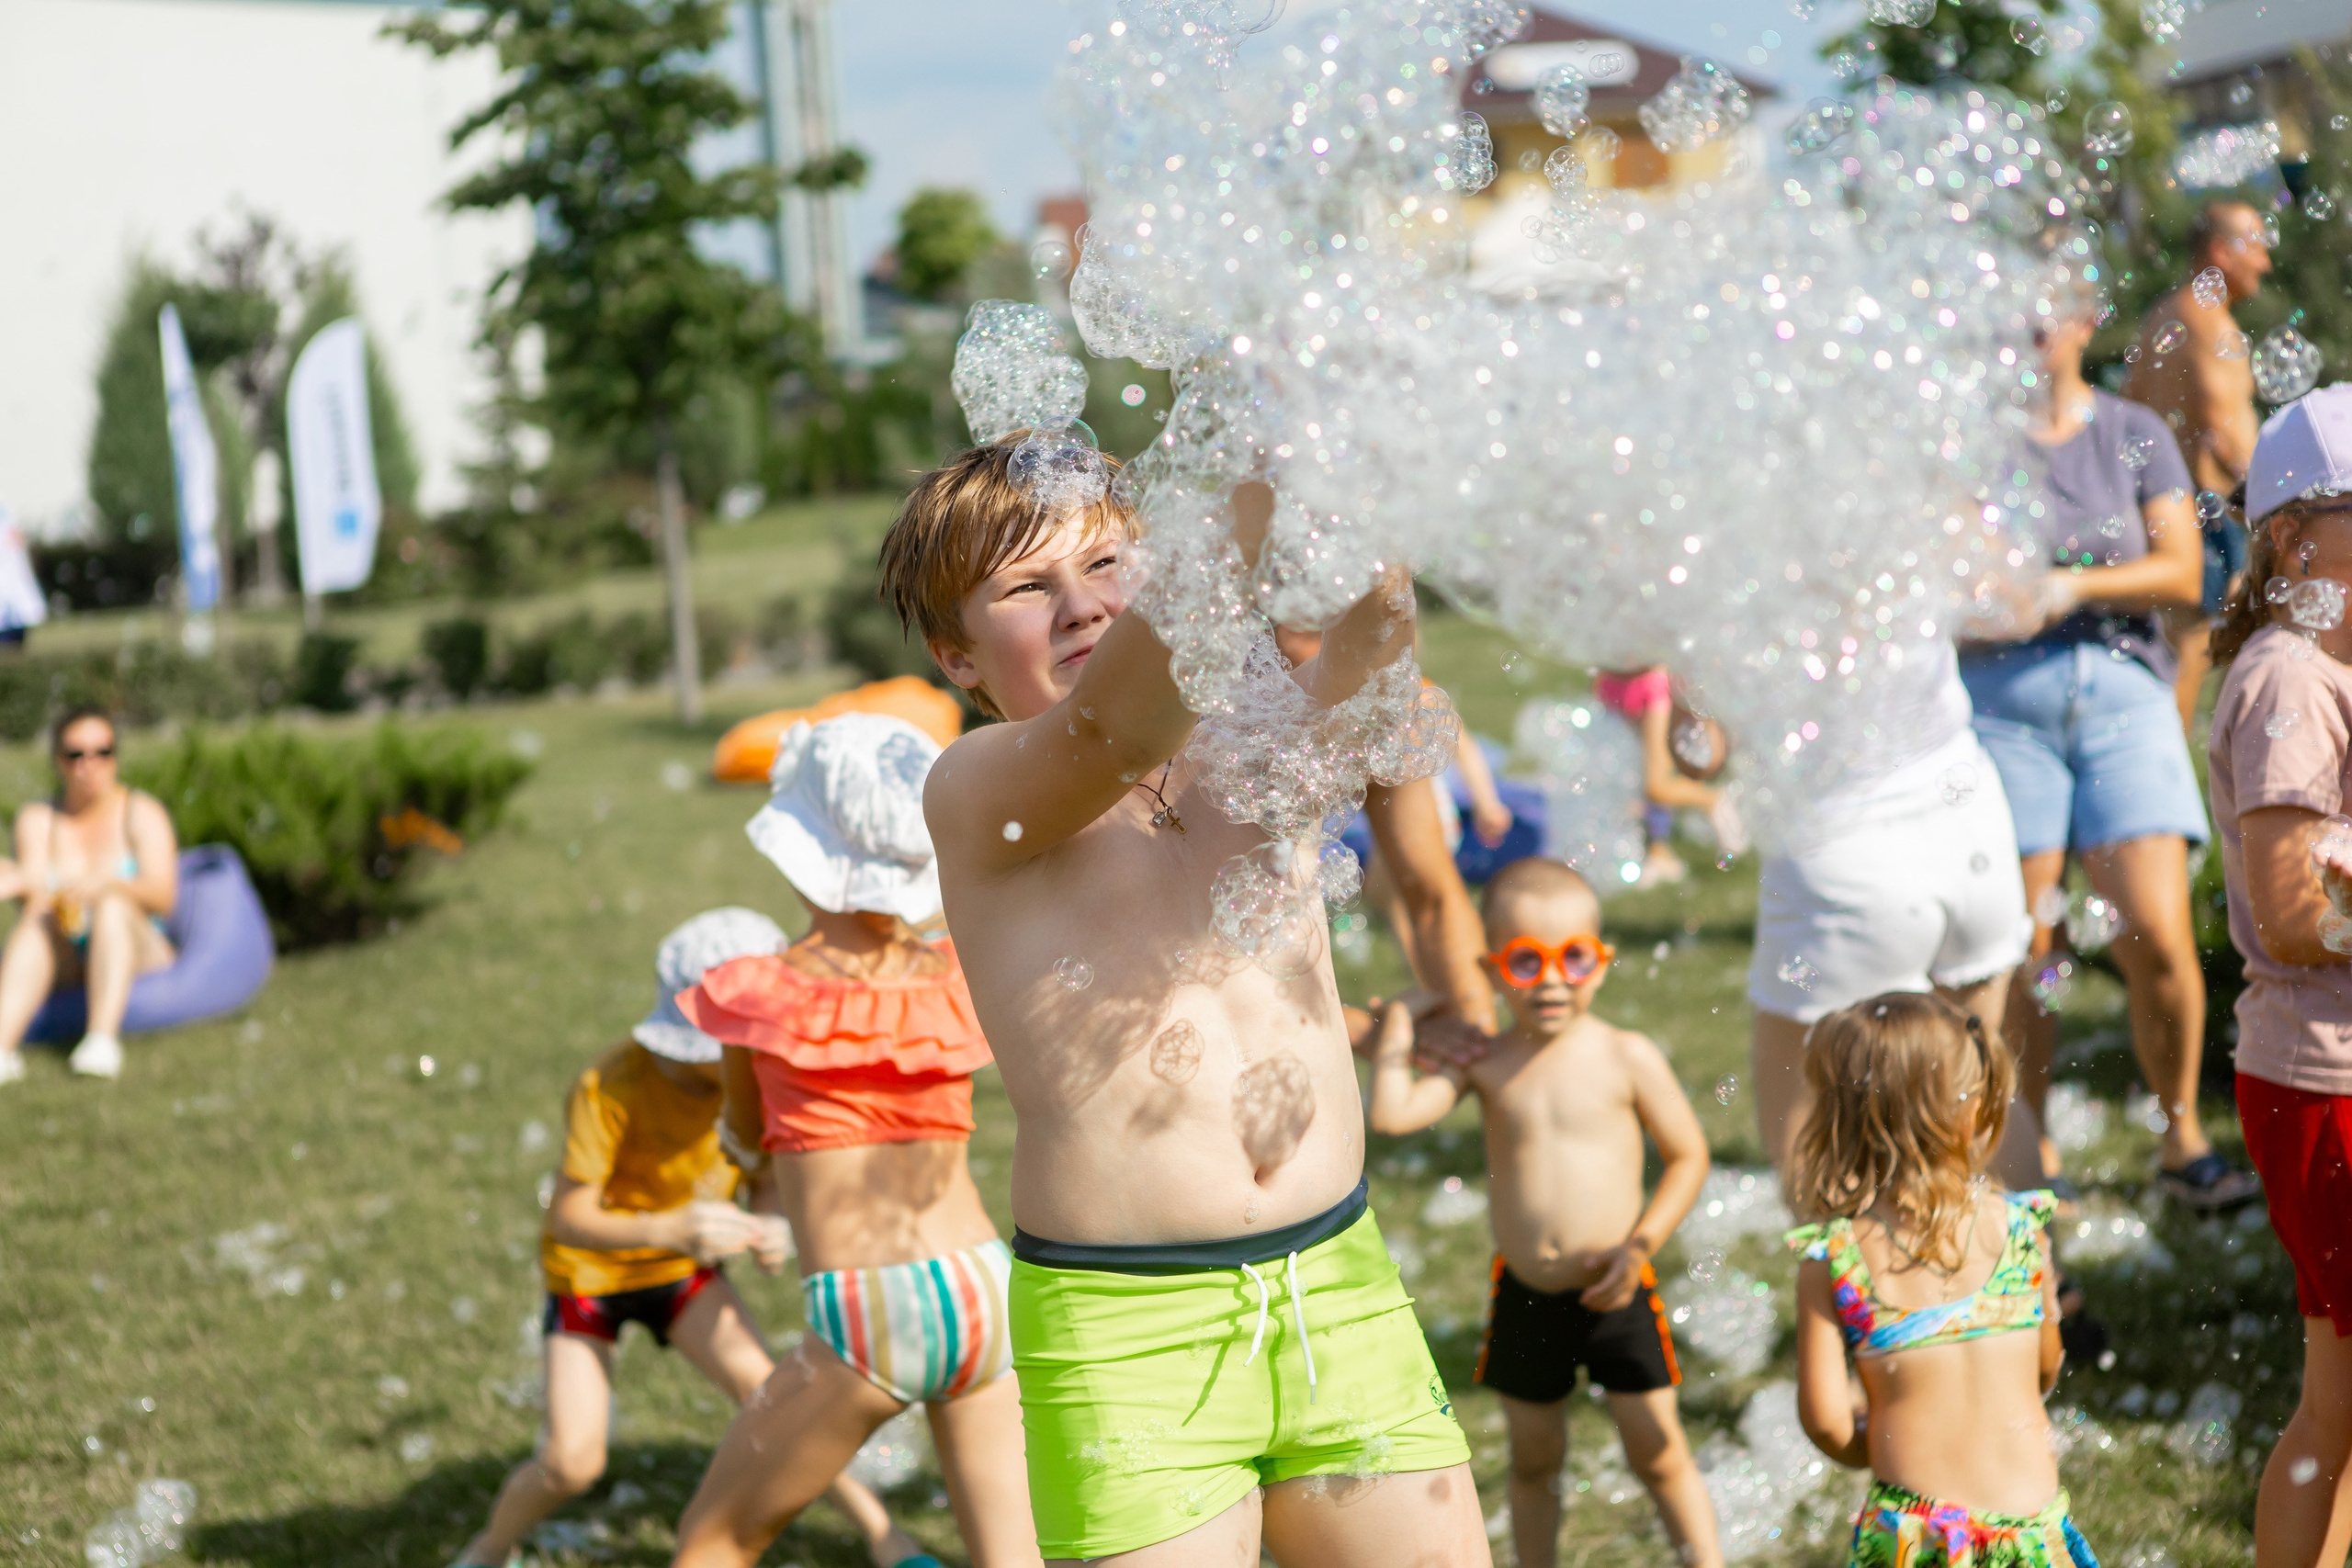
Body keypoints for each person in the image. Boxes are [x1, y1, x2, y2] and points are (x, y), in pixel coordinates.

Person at [882, 440, 1487, 1566]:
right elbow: (1116, 731)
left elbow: (1374, 649)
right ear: (954, 653)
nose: (1081, 604)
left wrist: (1357, 445)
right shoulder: (977, 790)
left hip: (1337, 1282)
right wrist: (1240, 468)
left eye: (1108, 561)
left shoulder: (1249, 741)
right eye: (1027, 586)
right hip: (1129, 1329)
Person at [668, 713, 1036, 1568]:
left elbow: (747, 1133)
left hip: (872, 1308)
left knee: (713, 1539)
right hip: (986, 1284)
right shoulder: (956, 969)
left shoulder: (759, 994)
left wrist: (755, 1180)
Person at [454, 909, 922, 1568]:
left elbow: (760, 1175)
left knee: (776, 1404)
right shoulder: (610, 1084)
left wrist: (771, 1224)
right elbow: (568, 1216)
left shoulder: (754, 1081)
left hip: (681, 1272)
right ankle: (488, 1546)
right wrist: (674, 1226)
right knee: (570, 1460)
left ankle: (883, 1534)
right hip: (591, 1275)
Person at [1962, 278, 2255, 1211]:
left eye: (2048, 311)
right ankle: (2026, 1153)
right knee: (2025, 945)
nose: (2030, 327)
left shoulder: (2131, 431)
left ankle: (2180, 1140)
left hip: (2120, 689)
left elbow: (2179, 573)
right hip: (2001, 702)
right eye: (2014, 311)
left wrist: (2066, 587)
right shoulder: (1970, 441)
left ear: (2087, 325)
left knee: (2157, 933)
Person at [1367, 856, 1721, 1568]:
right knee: (1534, 1462)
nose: (1554, 979)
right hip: (1527, 1296)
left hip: (1618, 1287)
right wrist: (1401, 1021)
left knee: (1659, 1452)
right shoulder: (1486, 1062)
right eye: (1528, 961)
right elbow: (1394, 1112)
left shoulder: (1628, 1056)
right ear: (1494, 968)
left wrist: (1641, 1246)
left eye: (1575, 958)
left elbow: (1689, 1155)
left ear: (1602, 961)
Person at [2200, 386, 2352, 1568]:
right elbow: (2295, 916)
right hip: (2325, 1079)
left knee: (2335, 1404)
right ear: (2297, 533)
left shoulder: (2320, 667)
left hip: (2322, 1077)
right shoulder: (2291, 682)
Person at [1784, 992, 2091, 1568]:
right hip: (2028, 1536)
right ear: (1975, 1108)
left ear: (1841, 1117)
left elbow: (1826, 1421)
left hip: (1914, 1538)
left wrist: (1884, 1445)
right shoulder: (2024, 1230)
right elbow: (2045, 1368)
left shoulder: (1834, 1258)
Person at [1746, 635, 2038, 1186]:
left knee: (1810, 1110)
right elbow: (2011, 605)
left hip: (1838, 834)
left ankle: (1852, 1272)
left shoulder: (1748, 559)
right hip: (1967, 816)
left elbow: (1703, 746)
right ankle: (2024, 1264)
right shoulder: (1921, 548)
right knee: (1974, 1076)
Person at [2126, 199, 2273, 731]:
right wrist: (2275, 496)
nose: (2265, 263)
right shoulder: (2207, 322)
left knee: (2182, 643)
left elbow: (2133, 405)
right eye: (2256, 246)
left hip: (2168, 503)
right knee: (2194, 647)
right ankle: (2170, 765)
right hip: (2209, 507)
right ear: (2219, 251)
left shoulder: (2162, 315)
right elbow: (2221, 427)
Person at [0, 706, 179, 1084]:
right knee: (36, 921)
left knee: (112, 905)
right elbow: (34, 898)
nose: (90, 765)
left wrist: (108, 885)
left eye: (103, 752)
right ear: (58, 761)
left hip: (136, 943)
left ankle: (101, 1041)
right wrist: (19, 884)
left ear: (115, 756)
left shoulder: (140, 812)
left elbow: (164, 896)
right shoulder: (38, 820)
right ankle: (2, 1049)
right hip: (68, 946)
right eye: (75, 754)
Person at [1593, 668, 1738, 886]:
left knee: (1655, 784)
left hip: (1650, 687)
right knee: (1630, 773)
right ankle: (1658, 852)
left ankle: (1716, 799)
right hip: (1613, 682)